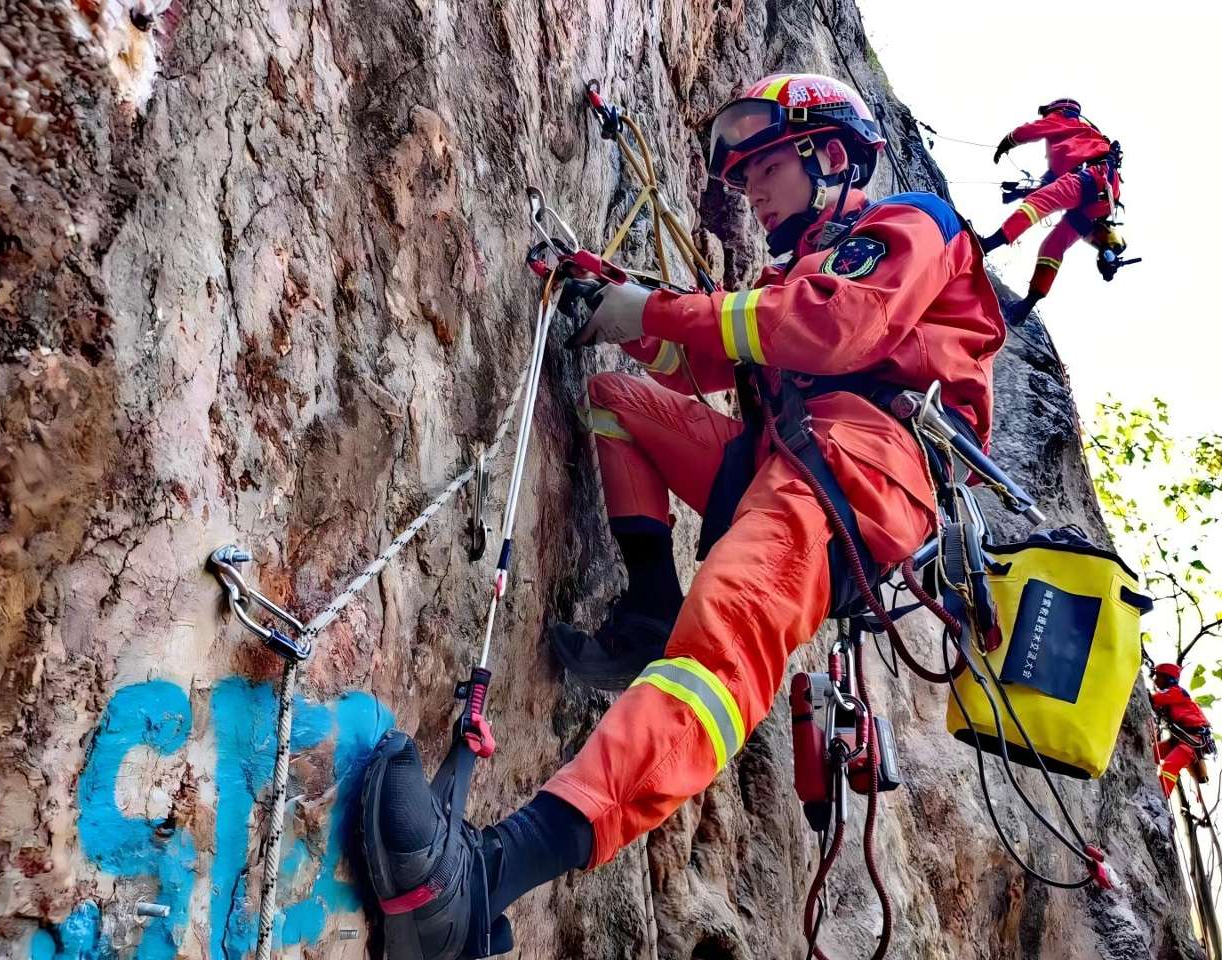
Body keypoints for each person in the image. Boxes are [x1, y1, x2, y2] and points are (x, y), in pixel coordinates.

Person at [359, 73, 1005, 960]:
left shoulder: (909, 227)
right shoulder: (793, 275)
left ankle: (482, 882)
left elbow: (831, 331)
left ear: (828, 153)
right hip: (785, 456)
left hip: (853, 475)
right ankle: (650, 604)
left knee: (713, 665)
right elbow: (708, 360)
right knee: (619, 399)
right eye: (742, 178)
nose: (751, 192)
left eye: (765, 166)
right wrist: (619, 314)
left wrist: (651, 308)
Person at [978, 97, 1121, 324]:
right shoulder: (1078, 143)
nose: (1046, 119)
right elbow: (1050, 187)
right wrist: (1016, 193)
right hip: (1101, 195)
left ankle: (986, 245)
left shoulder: (1065, 119)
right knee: (1054, 245)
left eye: (1047, 115)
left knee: (1038, 203)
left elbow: (1030, 131)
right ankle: (1024, 308)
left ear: (1058, 110)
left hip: (1092, 178)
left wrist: (1008, 141)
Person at [1150, 662, 1213, 797]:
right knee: (1148, 754)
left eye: (1157, 676)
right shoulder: (1174, 695)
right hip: (1180, 740)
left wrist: (1146, 695)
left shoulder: (1176, 692)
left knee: (1169, 766)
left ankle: (1159, 799)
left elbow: (1156, 699)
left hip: (1191, 740)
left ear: (1167, 678)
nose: (1154, 679)